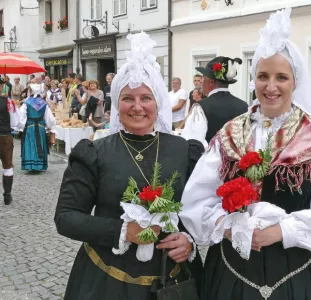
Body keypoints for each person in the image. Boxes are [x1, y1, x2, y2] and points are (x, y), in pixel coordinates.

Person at [180, 8, 311, 300]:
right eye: (263, 76)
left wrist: (282, 231)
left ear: (295, 82)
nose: (271, 86)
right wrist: (228, 227)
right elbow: (197, 200)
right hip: (232, 269)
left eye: (281, 77)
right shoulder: (231, 133)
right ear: (254, 81)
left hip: (297, 272)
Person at [54, 31, 203, 300]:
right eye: (127, 98)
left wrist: (188, 241)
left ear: (158, 102)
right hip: (106, 281)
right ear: (116, 103)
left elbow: (199, 209)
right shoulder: (95, 152)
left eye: (146, 98)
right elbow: (66, 218)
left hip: (171, 281)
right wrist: (122, 231)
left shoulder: (184, 150)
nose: (137, 107)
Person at [181, 56, 248, 145]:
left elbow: (193, 143)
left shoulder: (201, 108)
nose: (202, 83)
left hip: (208, 157)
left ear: (211, 82)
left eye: (203, 79)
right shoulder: (244, 106)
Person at [19, 84, 56, 171]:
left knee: (31, 144)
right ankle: (39, 165)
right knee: (39, 144)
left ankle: (30, 165)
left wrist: (20, 127)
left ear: (31, 91)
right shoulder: (43, 103)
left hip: (30, 127)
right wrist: (50, 126)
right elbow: (50, 119)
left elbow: (21, 116)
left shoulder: (26, 103)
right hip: (40, 127)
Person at [0, 78, 20, 205]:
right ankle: (7, 195)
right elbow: (15, 122)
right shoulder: (8, 102)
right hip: (4, 136)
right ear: (1, 87)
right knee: (7, 165)